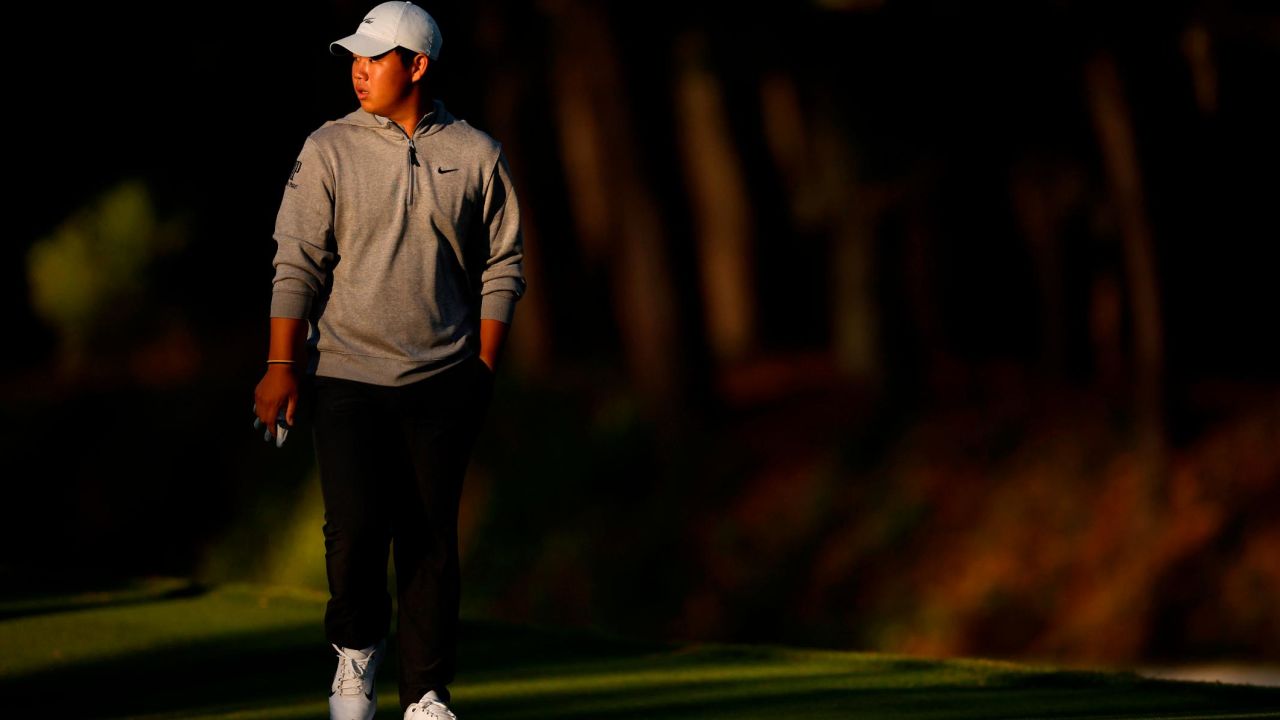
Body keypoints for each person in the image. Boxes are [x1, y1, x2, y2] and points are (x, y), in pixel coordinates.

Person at [251, 2, 526, 718]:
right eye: (355, 57)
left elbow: (503, 264)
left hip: (444, 378)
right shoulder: (328, 148)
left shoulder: (475, 154)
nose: (360, 69)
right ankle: (354, 661)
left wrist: (484, 368)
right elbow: (296, 261)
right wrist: (282, 366)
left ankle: (427, 694)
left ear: (419, 65)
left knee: (431, 539)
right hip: (346, 374)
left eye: (377, 56)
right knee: (354, 530)